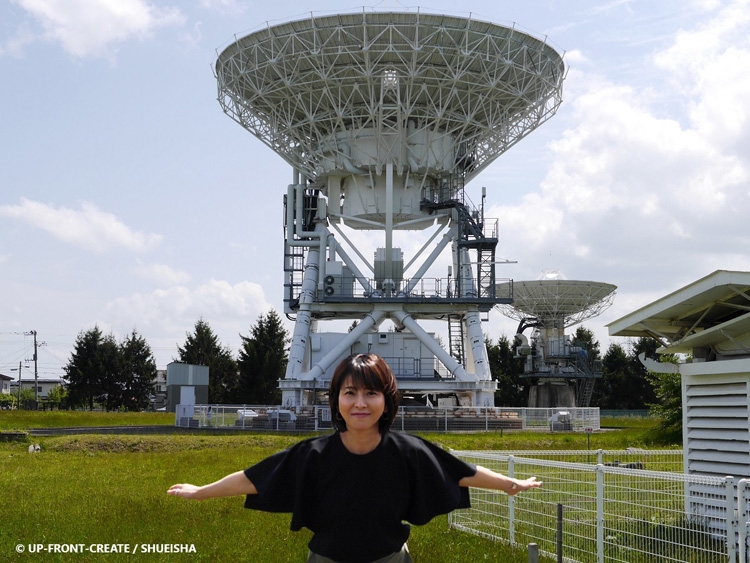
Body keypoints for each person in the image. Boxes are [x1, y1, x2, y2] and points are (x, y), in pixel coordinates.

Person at [168, 353, 541, 563]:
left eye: (371, 393)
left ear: (387, 401)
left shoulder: (408, 452)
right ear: (337, 401)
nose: (360, 403)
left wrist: (511, 485)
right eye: (350, 393)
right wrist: (200, 491)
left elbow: (461, 473)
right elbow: (254, 478)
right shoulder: (312, 455)